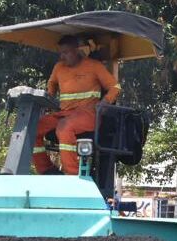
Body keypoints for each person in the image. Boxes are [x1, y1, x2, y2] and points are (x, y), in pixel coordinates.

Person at [33, 35, 121, 176]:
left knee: (64, 127)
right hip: (64, 113)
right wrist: (49, 96)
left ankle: (72, 176)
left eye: (66, 52)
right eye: (60, 53)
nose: (62, 56)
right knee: (34, 128)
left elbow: (115, 87)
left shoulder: (94, 66)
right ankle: (46, 170)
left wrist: (104, 103)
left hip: (88, 114)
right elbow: (52, 83)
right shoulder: (58, 67)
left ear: (77, 51)